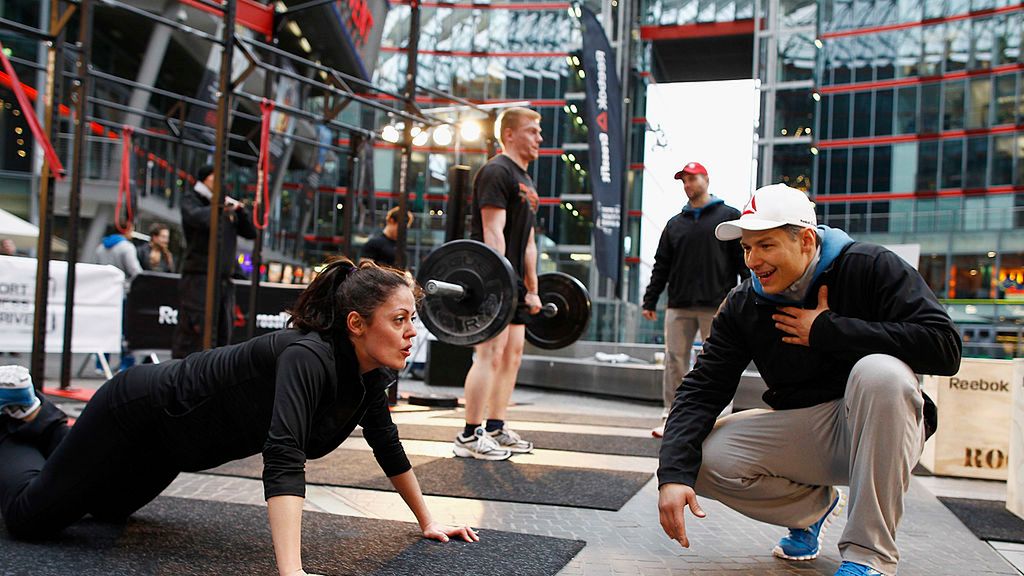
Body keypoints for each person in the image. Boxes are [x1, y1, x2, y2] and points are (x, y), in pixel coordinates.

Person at [0, 259, 479, 576]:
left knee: (105, 512)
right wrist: (292, 572)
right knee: (29, 519)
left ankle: (48, 421)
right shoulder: (307, 356)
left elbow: (385, 442)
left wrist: (427, 521)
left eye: (411, 318)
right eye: (399, 319)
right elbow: (284, 454)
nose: (411, 331)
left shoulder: (369, 373)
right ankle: (18, 417)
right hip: (136, 413)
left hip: (173, 446)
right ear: (357, 323)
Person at [656, 184, 961, 576]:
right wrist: (673, 476)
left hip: (884, 427)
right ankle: (811, 511)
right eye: (747, 248)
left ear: (806, 240)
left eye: (765, 245)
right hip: (812, 432)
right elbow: (703, 387)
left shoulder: (869, 265)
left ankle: (868, 558)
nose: (753, 260)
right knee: (695, 457)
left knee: (881, 373)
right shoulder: (744, 303)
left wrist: (829, 330)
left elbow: (945, 347)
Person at [453, 107, 543, 461]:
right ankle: (469, 435)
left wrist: (531, 288)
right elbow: (493, 232)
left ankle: (495, 426)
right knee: (489, 353)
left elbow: (530, 241)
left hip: (516, 281)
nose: (539, 138)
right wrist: (502, 284)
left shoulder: (527, 180)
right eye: (532, 131)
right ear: (509, 134)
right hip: (494, 278)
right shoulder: (496, 170)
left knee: (512, 355)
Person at [642, 161, 747, 438]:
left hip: (718, 304)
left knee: (719, 361)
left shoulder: (729, 216)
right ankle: (672, 417)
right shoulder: (674, 224)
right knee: (675, 360)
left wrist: (750, 296)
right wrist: (650, 300)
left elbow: (743, 262)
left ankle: (720, 422)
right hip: (679, 304)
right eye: (684, 181)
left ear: (706, 179)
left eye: (692, 179)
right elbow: (661, 265)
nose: (687, 185)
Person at [172, 165, 256, 359]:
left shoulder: (225, 206)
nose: (219, 183)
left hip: (224, 280)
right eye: (214, 177)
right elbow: (197, 218)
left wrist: (240, 212)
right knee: (197, 330)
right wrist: (220, 208)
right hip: (199, 278)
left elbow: (250, 232)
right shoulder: (192, 200)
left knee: (222, 331)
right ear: (205, 180)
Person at [94, 222, 144, 372]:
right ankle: (125, 364)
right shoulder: (126, 247)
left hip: (105, 293)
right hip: (123, 293)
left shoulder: (100, 248)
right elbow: (135, 271)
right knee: (125, 329)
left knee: (104, 328)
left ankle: (101, 364)